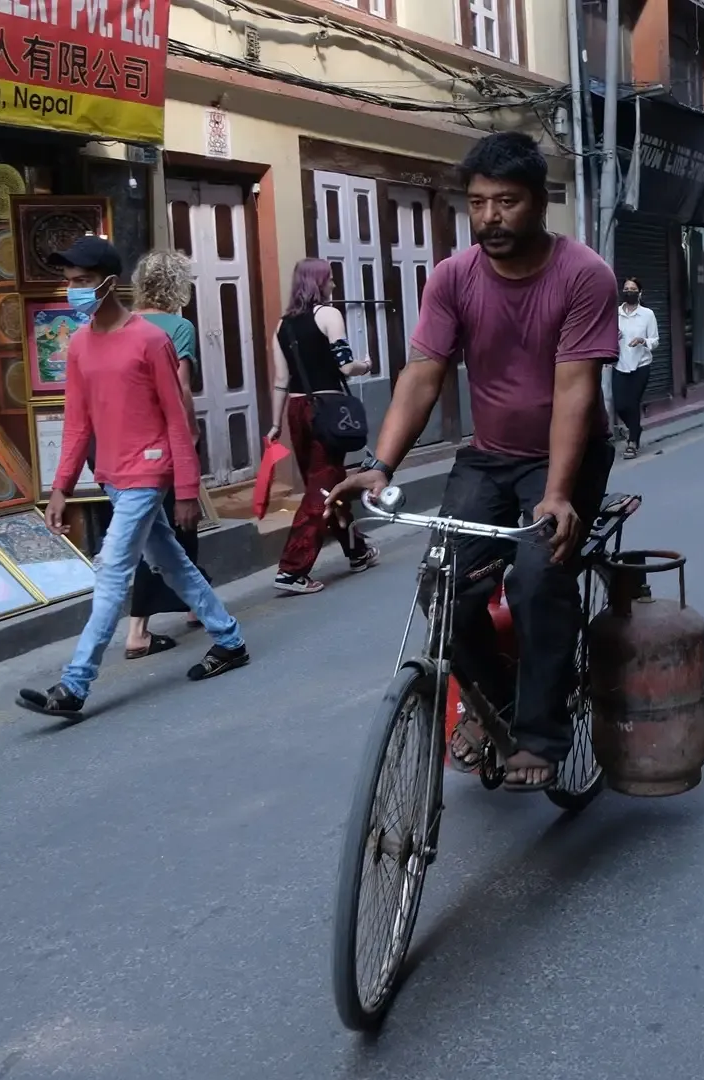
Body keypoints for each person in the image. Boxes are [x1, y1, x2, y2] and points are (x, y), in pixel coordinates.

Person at [326, 131, 618, 792]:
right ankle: (498, 704)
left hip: (565, 459)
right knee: (444, 587)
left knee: (539, 578)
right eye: (479, 203)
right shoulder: (453, 278)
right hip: (487, 458)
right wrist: (380, 464)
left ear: (539, 201)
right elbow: (423, 373)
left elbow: (575, 388)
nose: (490, 217)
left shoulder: (583, 275)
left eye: (506, 202)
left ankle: (542, 734)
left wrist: (557, 492)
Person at [17, 237, 250, 717]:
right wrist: (61, 488)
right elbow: (77, 423)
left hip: (148, 471)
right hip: (111, 475)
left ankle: (74, 685)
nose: (74, 291)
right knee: (171, 563)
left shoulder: (150, 339)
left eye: (83, 281)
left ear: (109, 283)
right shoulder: (79, 345)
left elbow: (176, 418)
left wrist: (186, 488)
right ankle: (229, 640)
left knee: (111, 571)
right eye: (70, 282)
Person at [268, 259, 379, 594]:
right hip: (326, 410)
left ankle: (357, 551)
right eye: (330, 279)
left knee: (325, 483)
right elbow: (345, 366)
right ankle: (292, 569)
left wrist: (274, 423)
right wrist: (365, 366)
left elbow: (281, 380)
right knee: (323, 488)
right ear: (318, 283)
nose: (333, 285)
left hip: (296, 409)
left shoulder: (282, 325)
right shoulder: (329, 315)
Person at [124, 249, 207, 659]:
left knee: (154, 526)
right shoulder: (178, 327)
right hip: (165, 439)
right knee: (173, 524)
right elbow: (181, 388)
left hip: (127, 444)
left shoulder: (123, 324)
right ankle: (138, 630)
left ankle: (191, 603)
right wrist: (190, 435)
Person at [614, 277, 658, 459]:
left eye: (633, 289)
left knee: (632, 403)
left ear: (640, 293)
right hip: (620, 364)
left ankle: (632, 442)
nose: (629, 292)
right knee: (620, 405)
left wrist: (642, 340)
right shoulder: (615, 313)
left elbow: (655, 341)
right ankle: (635, 428)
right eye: (626, 289)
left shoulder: (647, 314)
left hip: (641, 365)